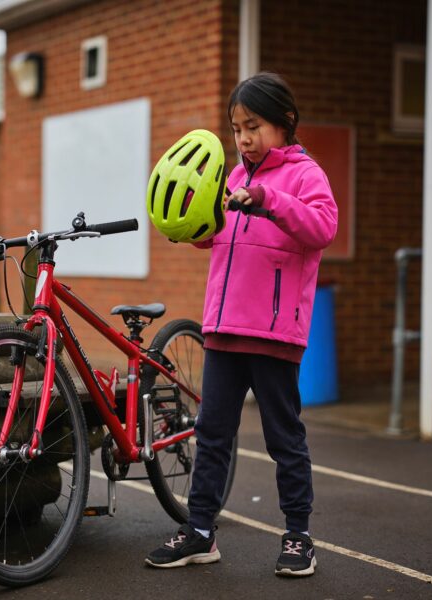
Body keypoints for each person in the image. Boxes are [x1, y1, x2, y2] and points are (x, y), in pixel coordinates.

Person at [145, 72, 338, 577]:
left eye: (253, 126)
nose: (244, 138)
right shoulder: (231, 177)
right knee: (212, 433)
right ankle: (201, 532)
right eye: (237, 129)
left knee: (283, 437)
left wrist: (269, 200)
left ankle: (299, 536)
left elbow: (323, 227)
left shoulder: (304, 175)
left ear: (285, 122)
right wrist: (189, 224)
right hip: (225, 328)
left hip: (274, 333)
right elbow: (215, 238)